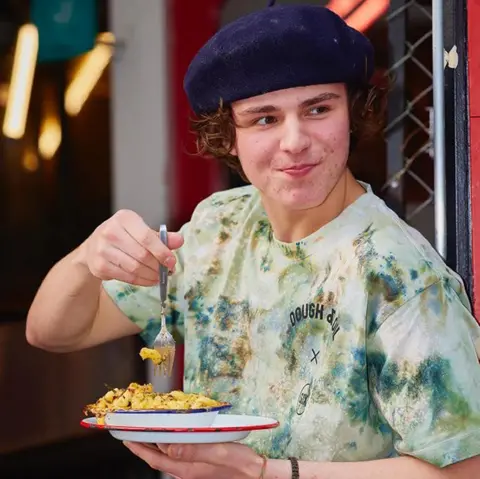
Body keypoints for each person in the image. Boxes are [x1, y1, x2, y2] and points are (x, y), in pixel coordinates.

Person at [26, 3, 480, 479]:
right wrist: (85, 261)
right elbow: (54, 332)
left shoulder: (397, 273)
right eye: (264, 119)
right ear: (229, 136)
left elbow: (463, 469)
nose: (294, 141)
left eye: (318, 109)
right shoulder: (218, 227)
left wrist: (264, 472)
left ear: (353, 114)